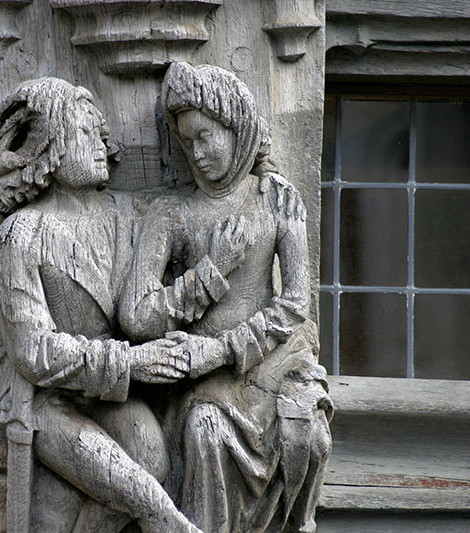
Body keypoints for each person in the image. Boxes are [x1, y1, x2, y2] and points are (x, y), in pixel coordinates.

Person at [0, 77, 202, 533]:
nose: (101, 142)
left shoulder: (128, 216)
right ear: (50, 147)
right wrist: (133, 362)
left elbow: (193, 219)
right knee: (148, 502)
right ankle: (173, 525)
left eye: (102, 132)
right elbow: (33, 351)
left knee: (151, 455)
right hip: (45, 399)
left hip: (111, 391)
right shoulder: (22, 234)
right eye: (85, 132)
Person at [118, 62, 332, 533]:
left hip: (272, 368)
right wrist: (210, 273)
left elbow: (296, 303)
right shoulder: (171, 212)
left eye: (206, 136)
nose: (197, 153)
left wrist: (223, 348)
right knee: (205, 432)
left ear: (237, 129)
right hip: (205, 386)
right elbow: (135, 316)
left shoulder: (276, 200)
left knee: (307, 434)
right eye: (186, 142)